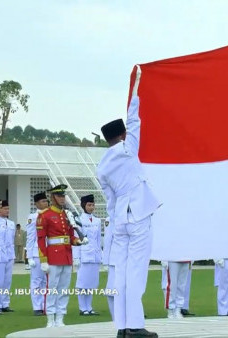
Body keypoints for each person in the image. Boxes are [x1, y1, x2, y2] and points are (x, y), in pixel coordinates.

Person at [96, 66, 161, 338]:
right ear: (121, 136)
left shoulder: (102, 165)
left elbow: (109, 200)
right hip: (138, 216)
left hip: (120, 219)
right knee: (136, 273)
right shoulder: (127, 149)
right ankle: (134, 326)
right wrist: (136, 89)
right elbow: (134, 120)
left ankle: (122, 328)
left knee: (121, 275)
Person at [37, 184, 87, 328]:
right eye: (59, 196)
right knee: (52, 288)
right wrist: (43, 259)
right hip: (53, 255)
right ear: (52, 198)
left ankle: (60, 317)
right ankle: (50, 319)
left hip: (66, 255)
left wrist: (78, 241)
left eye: (63, 195)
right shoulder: (44, 215)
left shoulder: (67, 214)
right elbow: (41, 239)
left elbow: (70, 236)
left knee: (64, 288)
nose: (62, 198)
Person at [74, 194, 102, 316]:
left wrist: (101, 255)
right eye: (89, 205)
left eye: (92, 205)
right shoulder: (79, 220)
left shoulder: (97, 220)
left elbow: (98, 239)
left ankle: (89, 307)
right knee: (82, 283)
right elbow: (76, 238)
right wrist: (76, 257)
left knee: (91, 283)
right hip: (84, 255)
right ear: (83, 206)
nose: (91, 207)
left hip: (94, 255)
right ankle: (82, 308)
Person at [26, 192, 48, 316]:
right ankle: (37, 307)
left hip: (49, 251)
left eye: (46, 201)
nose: (45, 203)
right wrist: (29, 256)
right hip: (37, 252)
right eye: (43, 201)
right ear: (36, 203)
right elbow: (30, 237)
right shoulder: (33, 217)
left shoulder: (50, 215)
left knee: (46, 281)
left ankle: (45, 306)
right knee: (37, 280)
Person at [0, 200, 16, 312]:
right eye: (5, 208)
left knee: (7, 280)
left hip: (9, 254)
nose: (7, 211)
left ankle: (5, 303)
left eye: (8, 209)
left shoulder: (11, 223)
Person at [102, 217, 116, 320]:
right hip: (114, 260)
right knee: (111, 291)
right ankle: (115, 317)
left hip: (129, 260)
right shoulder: (110, 219)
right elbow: (108, 239)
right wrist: (106, 261)